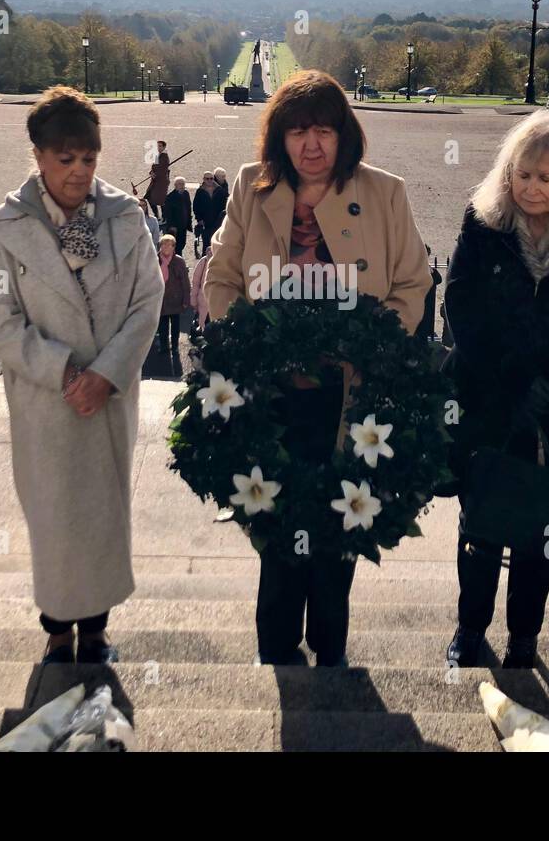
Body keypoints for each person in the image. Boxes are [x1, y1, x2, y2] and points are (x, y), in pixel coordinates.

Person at [204, 69, 432, 667]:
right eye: (298, 132)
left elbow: (412, 283)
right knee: (275, 535)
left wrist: (376, 346)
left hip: (349, 399)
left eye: (324, 131)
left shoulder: (385, 192)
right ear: (278, 138)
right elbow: (223, 276)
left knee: (337, 540)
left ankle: (331, 662)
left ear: (343, 135)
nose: (311, 145)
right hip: (271, 395)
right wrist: (248, 342)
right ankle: (276, 659)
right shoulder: (250, 187)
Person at [0, 86, 164, 664]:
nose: (79, 172)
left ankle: (98, 631)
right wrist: (62, 372)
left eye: (89, 159)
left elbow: (146, 302)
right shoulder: (7, 229)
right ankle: (57, 632)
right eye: (65, 160)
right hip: (46, 403)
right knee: (55, 518)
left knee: (102, 515)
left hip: (107, 397)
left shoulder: (126, 219)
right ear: (38, 155)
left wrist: (106, 374)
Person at [442, 110, 549, 669]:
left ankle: (524, 638)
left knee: (542, 527)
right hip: (486, 398)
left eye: (546, 178)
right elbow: (459, 307)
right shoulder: (481, 223)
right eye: (523, 174)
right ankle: (470, 630)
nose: (531, 187)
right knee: (481, 525)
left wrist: (548, 385)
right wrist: (509, 380)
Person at [157, 233, 191, 374]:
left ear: (173, 247)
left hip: (175, 299)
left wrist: (186, 300)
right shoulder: (154, 260)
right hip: (161, 299)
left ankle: (175, 346)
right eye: (163, 244)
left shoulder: (179, 261)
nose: (166, 247)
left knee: (175, 325)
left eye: (169, 244)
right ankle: (164, 346)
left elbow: (185, 282)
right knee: (162, 324)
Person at [190, 239, 217, 333]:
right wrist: (193, 299)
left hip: (217, 300)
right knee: (203, 325)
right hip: (203, 300)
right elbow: (196, 282)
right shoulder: (204, 261)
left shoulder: (222, 262)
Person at [193, 170, 223, 253]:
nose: (209, 180)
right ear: (203, 179)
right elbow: (196, 207)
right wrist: (199, 220)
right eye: (207, 179)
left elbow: (224, 205)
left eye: (211, 178)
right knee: (206, 244)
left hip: (217, 222)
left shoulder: (220, 190)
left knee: (217, 243)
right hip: (205, 223)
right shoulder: (200, 191)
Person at [163, 175, 193, 256]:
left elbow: (188, 208)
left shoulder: (186, 194)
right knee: (176, 246)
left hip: (183, 225)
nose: (181, 186)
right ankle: (176, 262)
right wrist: (172, 226)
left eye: (183, 184)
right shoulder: (170, 197)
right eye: (179, 184)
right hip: (175, 227)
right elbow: (168, 213)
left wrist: (189, 221)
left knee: (182, 243)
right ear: (175, 185)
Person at [145, 139, 170, 216]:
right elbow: (154, 168)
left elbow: (163, 170)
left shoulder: (164, 157)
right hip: (155, 181)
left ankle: (163, 217)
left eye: (160, 146)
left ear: (164, 147)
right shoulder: (157, 155)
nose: (158, 147)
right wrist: (151, 172)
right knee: (150, 197)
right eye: (157, 146)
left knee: (160, 200)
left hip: (161, 182)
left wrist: (154, 174)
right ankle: (158, 216)